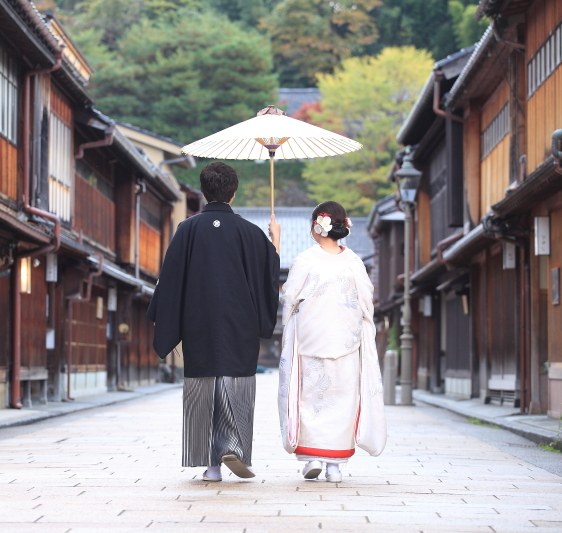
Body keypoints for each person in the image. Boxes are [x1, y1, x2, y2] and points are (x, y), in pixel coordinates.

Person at [147, 161, 281, 482]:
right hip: (241, 322)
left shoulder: (187, 229)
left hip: (198, 321)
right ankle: (232, 446)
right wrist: (274, 241)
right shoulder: (251, 233)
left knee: (203, 384)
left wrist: (167, 321)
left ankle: (211, 465)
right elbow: (269, 276)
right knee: (236, 383)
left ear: (204, 191)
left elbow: (171, 279)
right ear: (233, 193)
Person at [278, 201, 386, 483]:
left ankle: (313, 458)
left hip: (311, 340)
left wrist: (290, 324)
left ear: (317, 226)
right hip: (346, 342)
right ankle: (334, 467)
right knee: (342, 399)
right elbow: (366, 301)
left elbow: (289, 298)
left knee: (310, 398)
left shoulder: (305, 260)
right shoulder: (353, 262)